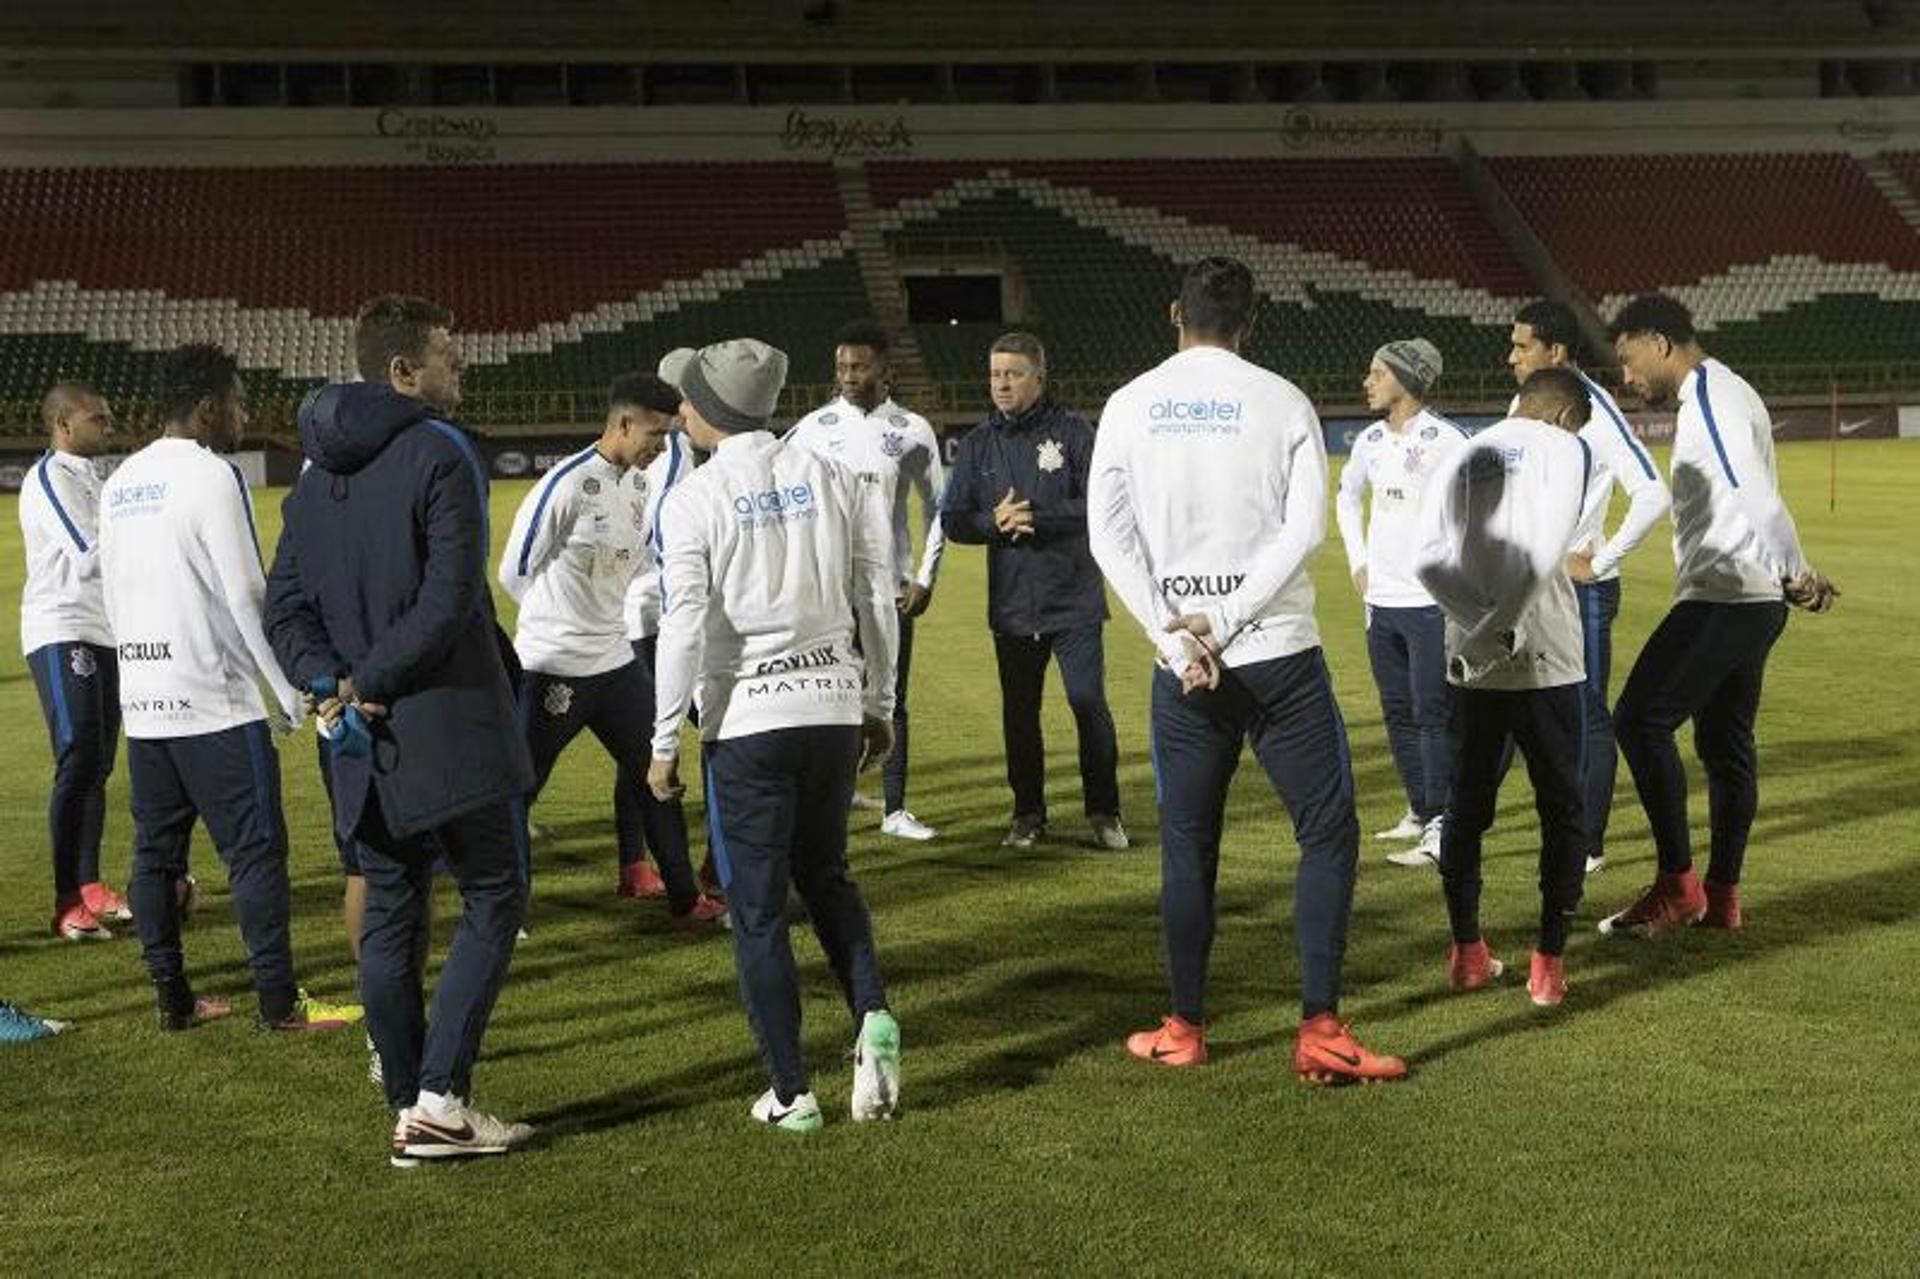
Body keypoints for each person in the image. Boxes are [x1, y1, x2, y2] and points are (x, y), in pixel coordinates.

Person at [1088, 256, 1406, 1084]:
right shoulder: (1282, 399)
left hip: (1185, 670)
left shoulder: (1128, 405)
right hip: (1280, 660)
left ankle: (1186, 1026)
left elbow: (1107, 538)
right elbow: (1306, 530)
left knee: (1189, 847)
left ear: (1174, 314)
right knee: (1328, 833)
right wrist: (1226, 621)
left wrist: (1178, 639)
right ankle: (1320, 1028)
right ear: (1250, 322)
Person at [267, 295, 536, 1165]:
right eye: (449, 354)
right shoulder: (439, 455)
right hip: (445, 720)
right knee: (494, 893)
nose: (462, 368)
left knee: (390, 911)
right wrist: (368, 681)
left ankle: (408, 1102)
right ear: (401, 372)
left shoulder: (311, 477)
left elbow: (286, 608)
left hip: (356, 740)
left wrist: (329, 685)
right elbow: (451, 599)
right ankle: (440, 1098)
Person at [647, 338, 902, 1133]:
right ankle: (871, 1012)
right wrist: (880, 700)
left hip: (748, 722)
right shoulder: (827, 473)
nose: (678, 410)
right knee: (829, 876)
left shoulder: (695, 499)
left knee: (757, 912)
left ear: (713, 411)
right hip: (831, 707)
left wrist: (662, 742)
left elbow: (683, 625)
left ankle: (791, 1092)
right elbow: (876, 593)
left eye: (687, 399)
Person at [99, 344, 353, 1034]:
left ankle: (172, 999)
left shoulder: (121, 479)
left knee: (155, 852)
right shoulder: (212, 475)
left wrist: (136, 678)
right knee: (255, 851)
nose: (244, 414)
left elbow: (111, 590)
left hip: (147, 704)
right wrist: (290, 691)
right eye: (239, 401)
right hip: (214, 700)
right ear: (209, 407)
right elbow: (247, 592)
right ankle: (280, 1003)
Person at [1597, 294, 1838, 937]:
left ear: (1659, 341)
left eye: (1627, 360)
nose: (1626, 377)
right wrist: (1788, 572)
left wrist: (1796, 570)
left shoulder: (1710, 394)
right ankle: (1723, 897)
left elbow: (1756, 495)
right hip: (1749, 598)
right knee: (1724, 746)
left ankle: (1679, 888)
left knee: (1639, 719)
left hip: (1725, 597)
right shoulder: (1730, 392)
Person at [499, 371, 724, 927]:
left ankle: (685, 898)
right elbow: (513, 572)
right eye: (653, 432)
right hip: (553, 667)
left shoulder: (642, 486)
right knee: (518, 791)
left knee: (656, 771)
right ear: (623, 423)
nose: (660, 445)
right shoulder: (566, 484)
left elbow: (638, 562)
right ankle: (504, 913)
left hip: (616, 660)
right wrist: (559, 624)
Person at [1414, 367, 1595, 1007]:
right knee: (1561, 806)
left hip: (1469, 656)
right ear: (1566, 416)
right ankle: (1548, 960)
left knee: (1466, 804)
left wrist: (1479, 628)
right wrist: (1507, 624)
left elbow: (1425, 558)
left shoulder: (1465, 448)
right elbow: (1547, 550)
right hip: (1545, 651)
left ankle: (1467, 951)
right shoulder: (1565, 446)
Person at [939, 332, 1126, 852]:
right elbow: (954, 519)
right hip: (1013, 607)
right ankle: (1027, 814)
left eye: (1013, 374)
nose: (1001, 384)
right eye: (995, 374)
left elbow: (1100, 504)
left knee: (1088, 703)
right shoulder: (977, 444)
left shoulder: (1072, 432)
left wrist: (1036, 518)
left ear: (1039, 378)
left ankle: (1105, 812)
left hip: (1074, 600)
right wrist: (992, 522)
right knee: (1020, 714)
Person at [1507, 299, 1672, 874]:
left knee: (1584, 715)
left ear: (1554, 351)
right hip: (1530, 585)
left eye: (1522, 346)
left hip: (1582, 593)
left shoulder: (1597, 413)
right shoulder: (1526, 402)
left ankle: (1588, 843)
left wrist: (1600, 562)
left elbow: (1652, 492)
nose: (1511, 357)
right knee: (1521, 705)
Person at [784, 320, 947, 841]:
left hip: (889, 589)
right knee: (829, 696)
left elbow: (938, 508)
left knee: (890, 697)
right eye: (841, 367)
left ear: (885, 369)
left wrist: (925, 575)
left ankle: (895, 811)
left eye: (858, 366)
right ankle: (839, 788)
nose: (848, 375)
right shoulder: (811, 428)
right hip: (826, 589)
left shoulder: (913, 430)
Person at [1335, 339, 1467, 868]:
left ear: (1407, 379)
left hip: (1429, 603)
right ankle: (1419, 809)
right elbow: (1346, 497)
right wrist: (1357, 561)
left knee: (1432, 714)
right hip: (1381, 601)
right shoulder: (1368, 440)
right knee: (1397, 712)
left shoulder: (1448, 441)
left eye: (1376, 372)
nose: (1366, 381)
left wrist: (1449, 576)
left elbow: (1473, 513)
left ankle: (1443, 824)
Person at [20, 381, 133, 941]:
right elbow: (90, 556)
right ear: (63, 424)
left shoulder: (93, 478)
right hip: (63, 628)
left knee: (97, 764)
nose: (108, 426)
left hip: (102, 632)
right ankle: (68, 900)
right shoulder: (49, 478)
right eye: (98, 419)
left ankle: (89, 887)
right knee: (78, 758)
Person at [613, 349, 711, 901]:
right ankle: (718, 865)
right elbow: (665, 537)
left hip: (627, 616)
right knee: (718, 731)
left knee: (637, 744)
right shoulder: (674, 453)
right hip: (657, 618)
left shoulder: (647, 449)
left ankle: (634, 864)